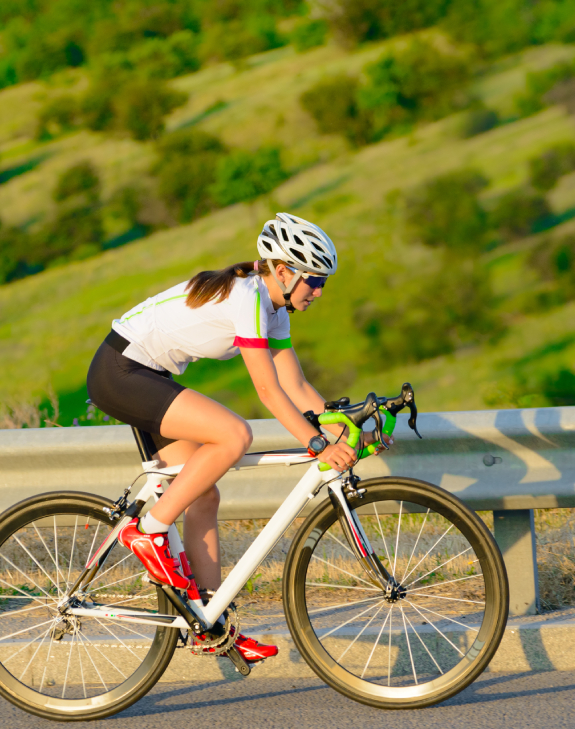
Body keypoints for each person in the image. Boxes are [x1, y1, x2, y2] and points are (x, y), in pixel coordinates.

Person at [86, 213, 371, 663]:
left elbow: (296, 387)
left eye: (324, 283)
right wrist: (317, 445)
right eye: (314, 280)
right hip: (121, 370)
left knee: (203, 495)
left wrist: (344, 431)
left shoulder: (275, 308)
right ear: (284, 271)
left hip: (147, 373)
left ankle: (211, 623)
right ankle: (149, 531)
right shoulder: (247, 297)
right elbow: (267, 390)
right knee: (234, 435)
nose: (318, 292)